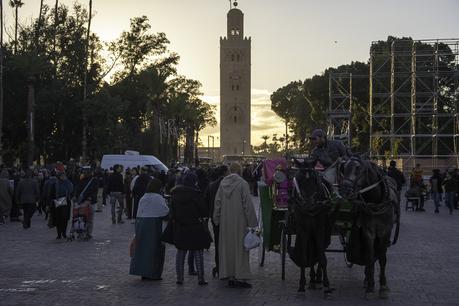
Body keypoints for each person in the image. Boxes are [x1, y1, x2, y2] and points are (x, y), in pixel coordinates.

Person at [213, 162, 258, 288]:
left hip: (225, 222)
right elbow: (247, 204)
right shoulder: (243, 184)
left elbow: (218, 203)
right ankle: (240, 276)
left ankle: (230, 276)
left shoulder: (222, 184)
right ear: (239, 171)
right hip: (240, 222)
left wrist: (216, 219)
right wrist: (252, 223)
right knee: (240, 249)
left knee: (227, 249)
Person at [170, 172, 209, 286]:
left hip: (181, 226)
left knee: (181, 253)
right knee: (198, 252)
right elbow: (203, 211)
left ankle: (180, 278)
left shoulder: (175, 194)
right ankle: (201, 278)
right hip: (195, 226)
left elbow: (172, 212)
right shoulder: (196, 194)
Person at [130, 179, 169, 281]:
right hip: (153, 224)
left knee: (142, 249)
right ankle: (153, 273)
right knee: (154, 250)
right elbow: (164, 211)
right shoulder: (158, 197)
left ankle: (143, 272)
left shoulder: (144, 197)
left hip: (140, 223)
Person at [204, 165, 228, 278]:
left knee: (218, 243)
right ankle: (227, 266)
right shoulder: (227, 185)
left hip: (215, 218)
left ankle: (219, 266)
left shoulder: (211, 186)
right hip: (227, 217)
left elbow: (207, 201)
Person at [74, 166, 99, 238]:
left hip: (90, 202)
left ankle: (89, 233)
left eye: (87, 172)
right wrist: (76, 196)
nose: (85, 173)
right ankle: (81, 232)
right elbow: (77, 189)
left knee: (90, 218)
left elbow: (95, 190)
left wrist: (91, 198)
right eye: (84, 172)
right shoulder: (81, 180)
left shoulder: (94, 180)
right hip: (82, 201)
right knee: (81, 217)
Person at [50, 168, 74, 239]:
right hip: (58, 202)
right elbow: (52, 193)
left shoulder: (68, 183)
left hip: (66, 202)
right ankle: (59, 234)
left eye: (64, 176)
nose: (62, 177)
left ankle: (64, 232)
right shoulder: (56, 183)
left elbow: (71, 191)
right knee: (58, 218)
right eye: (61, 176)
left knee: (65, 218)